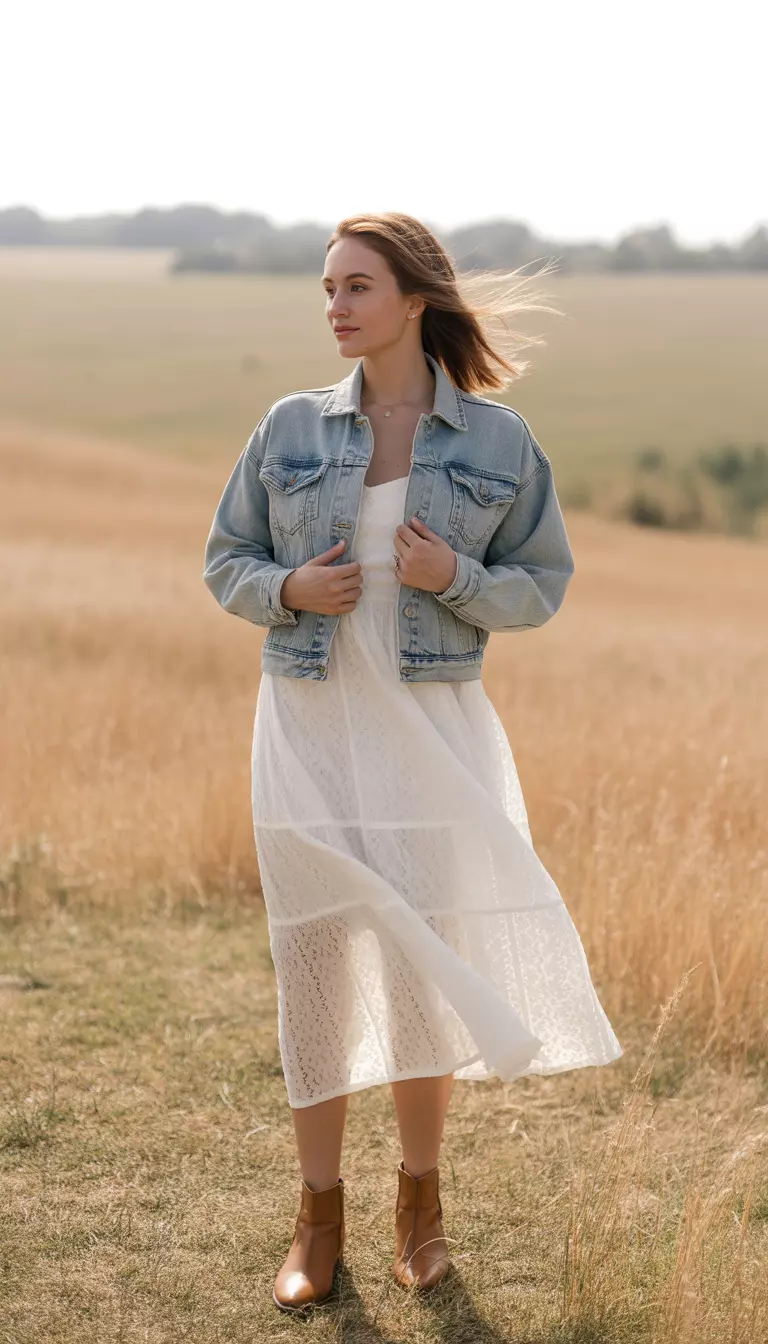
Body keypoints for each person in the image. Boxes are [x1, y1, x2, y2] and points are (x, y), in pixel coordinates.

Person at [202, 211, 623, 1314]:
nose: (335, 306)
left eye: (356, 287)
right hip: (305, 733)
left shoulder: (498, 443)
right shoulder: (288, 426)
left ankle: (420, 1213)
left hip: (432, 745)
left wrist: (454, 578)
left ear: (413, 300)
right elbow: (226, 558)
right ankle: (316, 1218)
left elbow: (541, 581)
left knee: (421, 973)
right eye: (327, 288)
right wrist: (289, 591)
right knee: (318, 971)